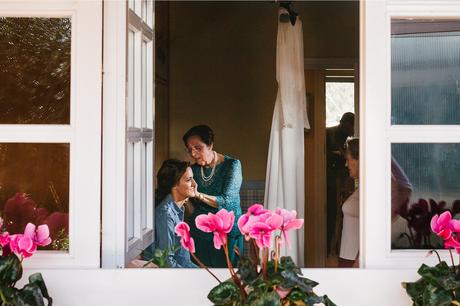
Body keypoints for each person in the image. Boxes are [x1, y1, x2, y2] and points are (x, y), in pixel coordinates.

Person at [182, 125, 243, 268]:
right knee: (201, 279)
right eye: (189, 149)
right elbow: (189, 202)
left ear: (210, 145)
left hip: (227, 233)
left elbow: (226, 201)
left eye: (198, 148)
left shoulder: (232, 165)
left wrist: (198, 195)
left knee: (228, 278)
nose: (193, 153)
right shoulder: (192, 170)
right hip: (200, 233)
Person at [145, 159, 198, 268]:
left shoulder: (178, 209)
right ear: (174, 185)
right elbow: (166, 262)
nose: (194, 184)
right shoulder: (166, 214)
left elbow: (183, 259)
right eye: (189, 180)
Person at [326, 112, 355, 254]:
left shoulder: (345, 139)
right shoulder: (328, 134)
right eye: (352, 126)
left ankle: (335, 248)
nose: (353, 131)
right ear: (345, 124)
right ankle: (327, 249)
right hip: (328, 183)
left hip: (340, 182)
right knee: (330, 215)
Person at [339, 137, 359, 267]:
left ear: (359, 159)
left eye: (348, 159)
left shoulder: (372, 189)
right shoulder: (362, 187)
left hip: (355, 259)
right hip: (347, 256)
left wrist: (360, 257)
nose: (346, 165)